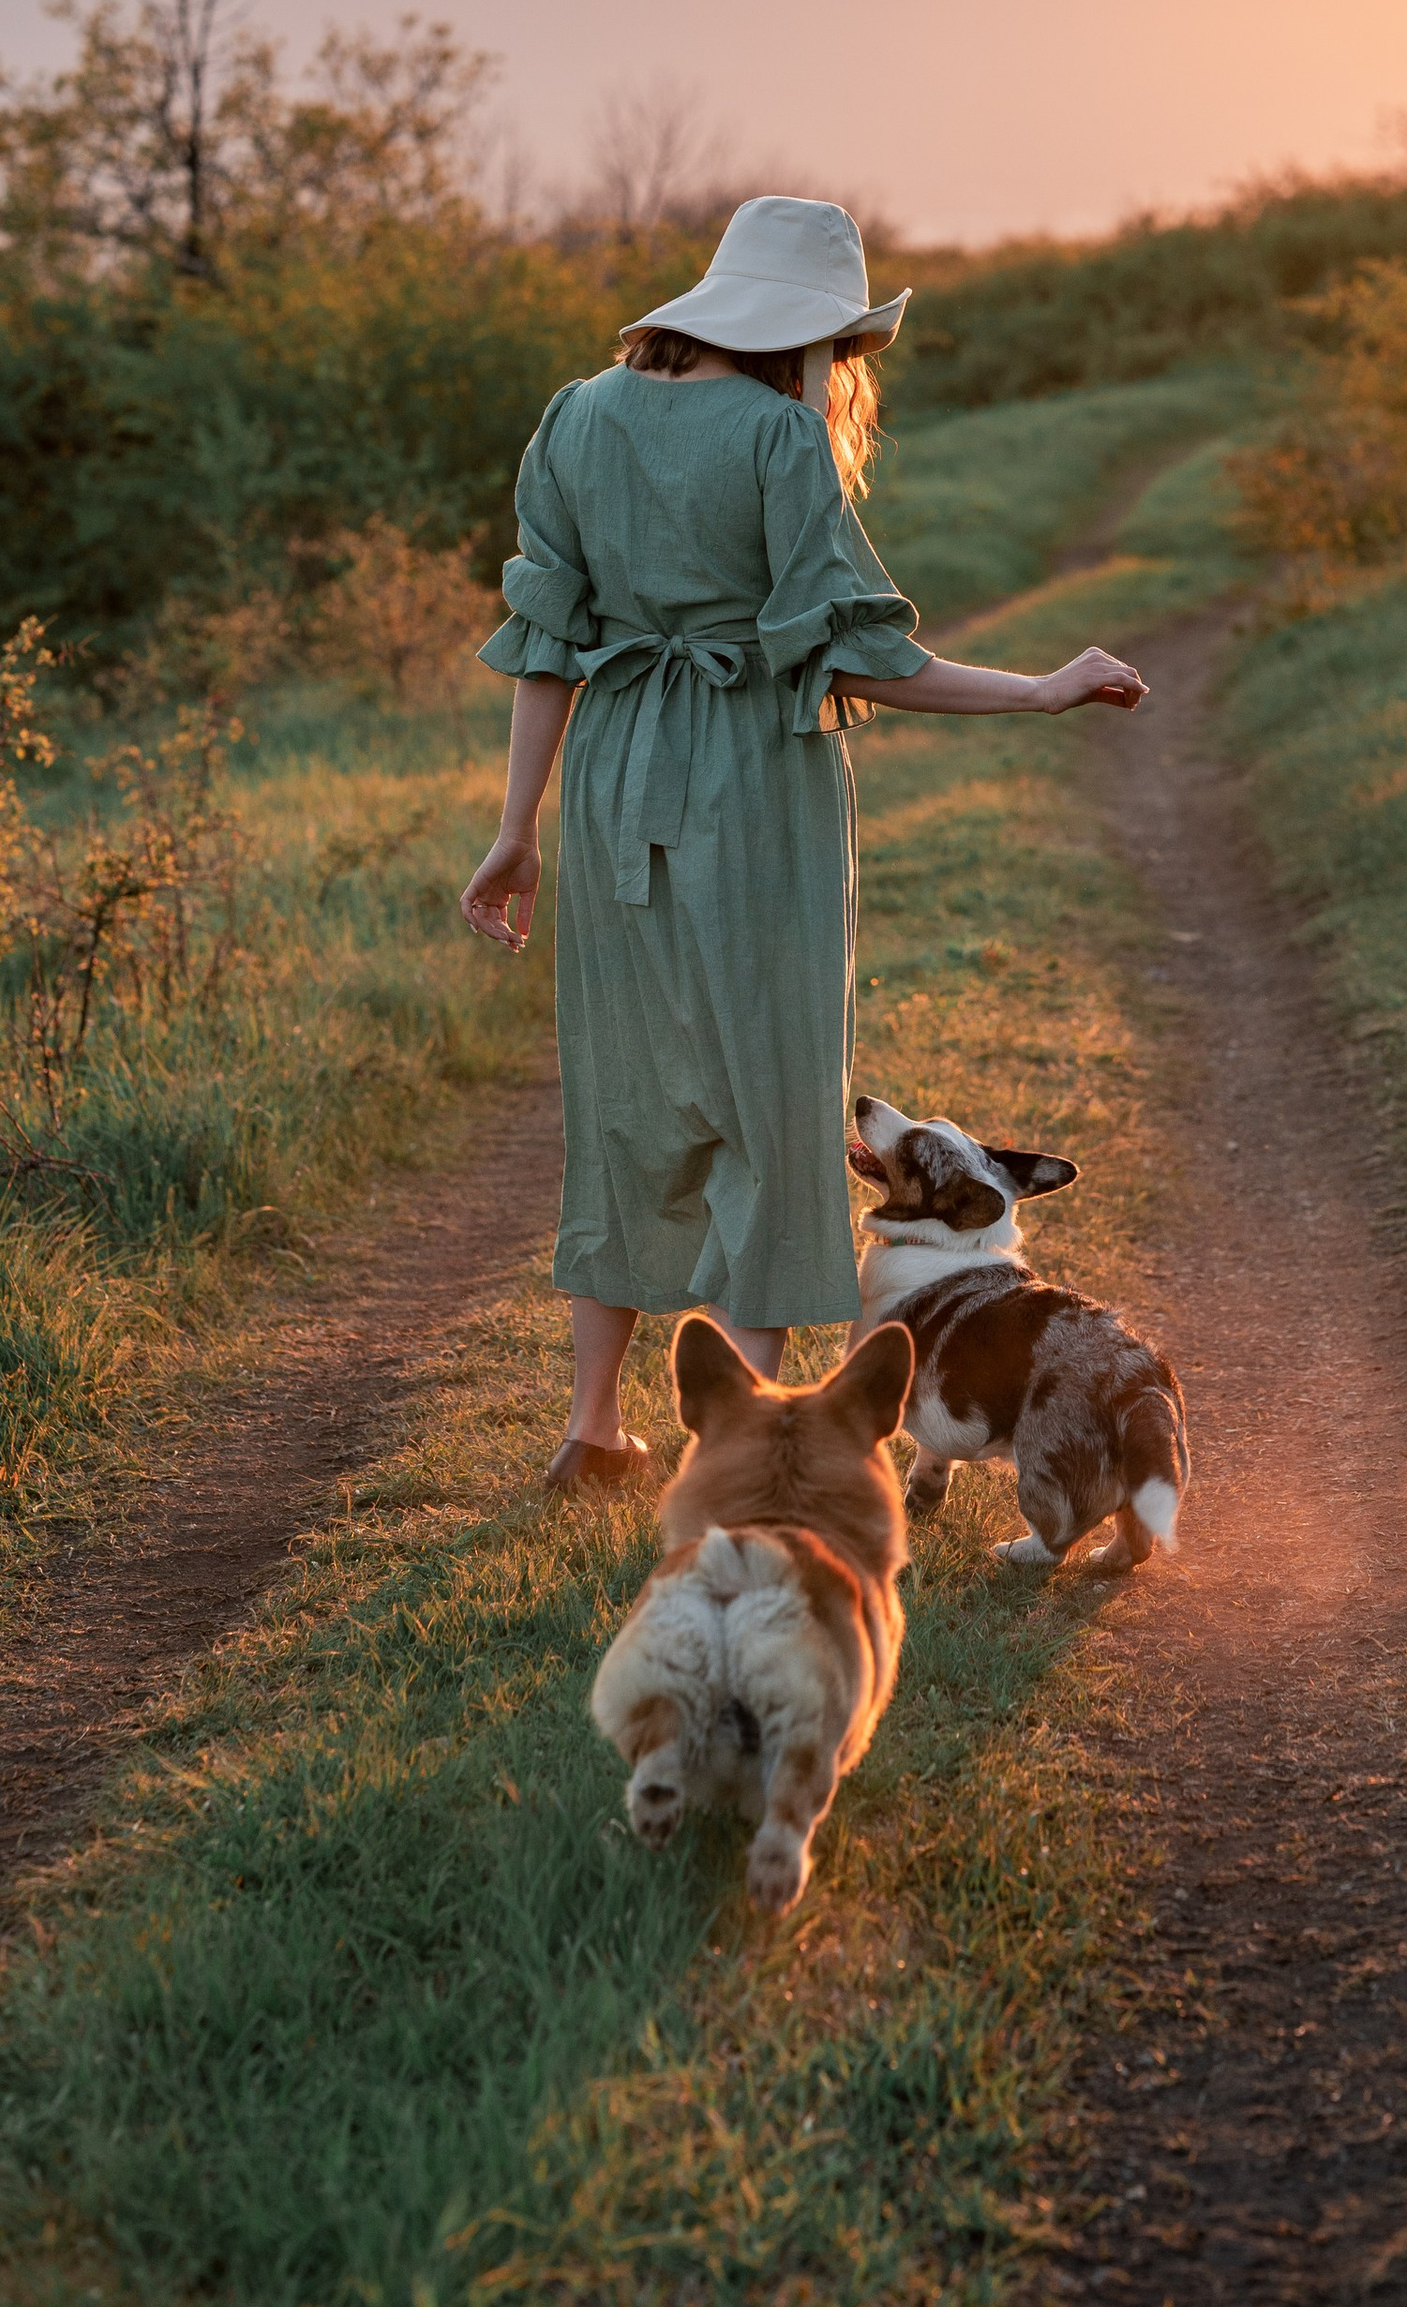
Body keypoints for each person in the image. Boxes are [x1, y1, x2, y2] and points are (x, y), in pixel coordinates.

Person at [459, 194, 1146, 1486]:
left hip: (610, 780)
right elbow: (870, 661)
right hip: (749, 784)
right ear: (812, 339)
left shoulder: (577, 413)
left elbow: (545, 646)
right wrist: (1043, 689)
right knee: (773, 1107)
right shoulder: (780, 439)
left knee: (624, 1101)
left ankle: (593, 1428)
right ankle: (742, 1438)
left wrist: (516, 831)